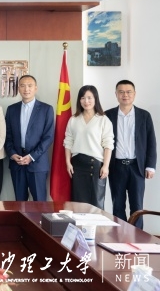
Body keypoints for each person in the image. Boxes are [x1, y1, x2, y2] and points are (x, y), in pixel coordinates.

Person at [105, 80, 156, 228]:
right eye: (121, 92)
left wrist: (150, 166)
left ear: (134, 94)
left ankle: (137, 237)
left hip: (137, 167)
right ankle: (119, 236)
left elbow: (151, 142)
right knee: (117, 205)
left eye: (128, 92)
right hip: (116, 167)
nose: (125, 95)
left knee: (137, 206)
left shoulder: (144, 116)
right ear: (116, 94)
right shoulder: (108, 115)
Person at [4, 75, 54, 201]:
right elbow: (7, 136)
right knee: (20, 202)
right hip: (17, 162)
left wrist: (32, 156)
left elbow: (48, 137)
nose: (26, 89)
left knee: (39, 202)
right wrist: (12, 154)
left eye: (30, 86)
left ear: (36, 88)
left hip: (37, 163)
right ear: (18, 89)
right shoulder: (11, 109)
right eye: (22, 86)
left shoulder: (46, 109)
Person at [64, 85, 114, 209]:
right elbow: (68, 142)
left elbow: (108, 145)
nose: (86, 101)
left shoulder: (103, 120)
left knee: (95, 205)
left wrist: (106, 166)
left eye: (89, 98)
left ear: (95, 99)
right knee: (77, 204)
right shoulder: (74, 119)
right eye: (83, 98)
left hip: (95, 166)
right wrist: (68, 163)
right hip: (77, 165)